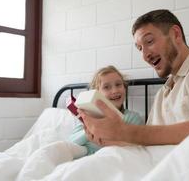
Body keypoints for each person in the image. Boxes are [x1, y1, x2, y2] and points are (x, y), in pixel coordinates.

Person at [80, 9, 189, 146]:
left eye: (149, 41)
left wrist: (124, 130)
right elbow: (147, 144)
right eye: (140, 48)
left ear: (175, 34)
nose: (145, 55)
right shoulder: (163, 93)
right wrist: (107, 138)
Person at [15, 65, 144, 181]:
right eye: (107, 87)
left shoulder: (132, 118)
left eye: (118, 84)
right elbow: (72, 142)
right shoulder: (90, 117)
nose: (115, 90)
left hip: (111, 159)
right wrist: (88, 129)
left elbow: (136, 147)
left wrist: (105, 141)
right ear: (96, 93)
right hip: (84, 158)